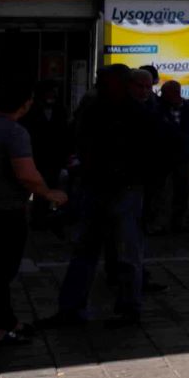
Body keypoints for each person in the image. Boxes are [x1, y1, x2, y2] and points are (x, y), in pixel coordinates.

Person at [40, 66, 154, 327]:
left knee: (125, 254)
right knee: (87, 251)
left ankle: (127, 308)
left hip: (123, 189)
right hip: (97, 187)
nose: (102, 86)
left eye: (107, 83)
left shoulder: (136, 113)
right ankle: (73, 308)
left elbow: (153, 152)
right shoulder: (94, 110)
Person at [0, 80, 69, 345]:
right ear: (25, 104)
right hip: (4, 212)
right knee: (1, 271)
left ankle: (7, 320)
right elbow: (26, 174)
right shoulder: (14, 132)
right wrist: (50, 193)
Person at [157, 79, 189, 232]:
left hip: (184, 157)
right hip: (163, 157)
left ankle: (179, 221)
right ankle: (163, 222)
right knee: (163, 191)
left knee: (182, 191)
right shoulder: (158, 109)